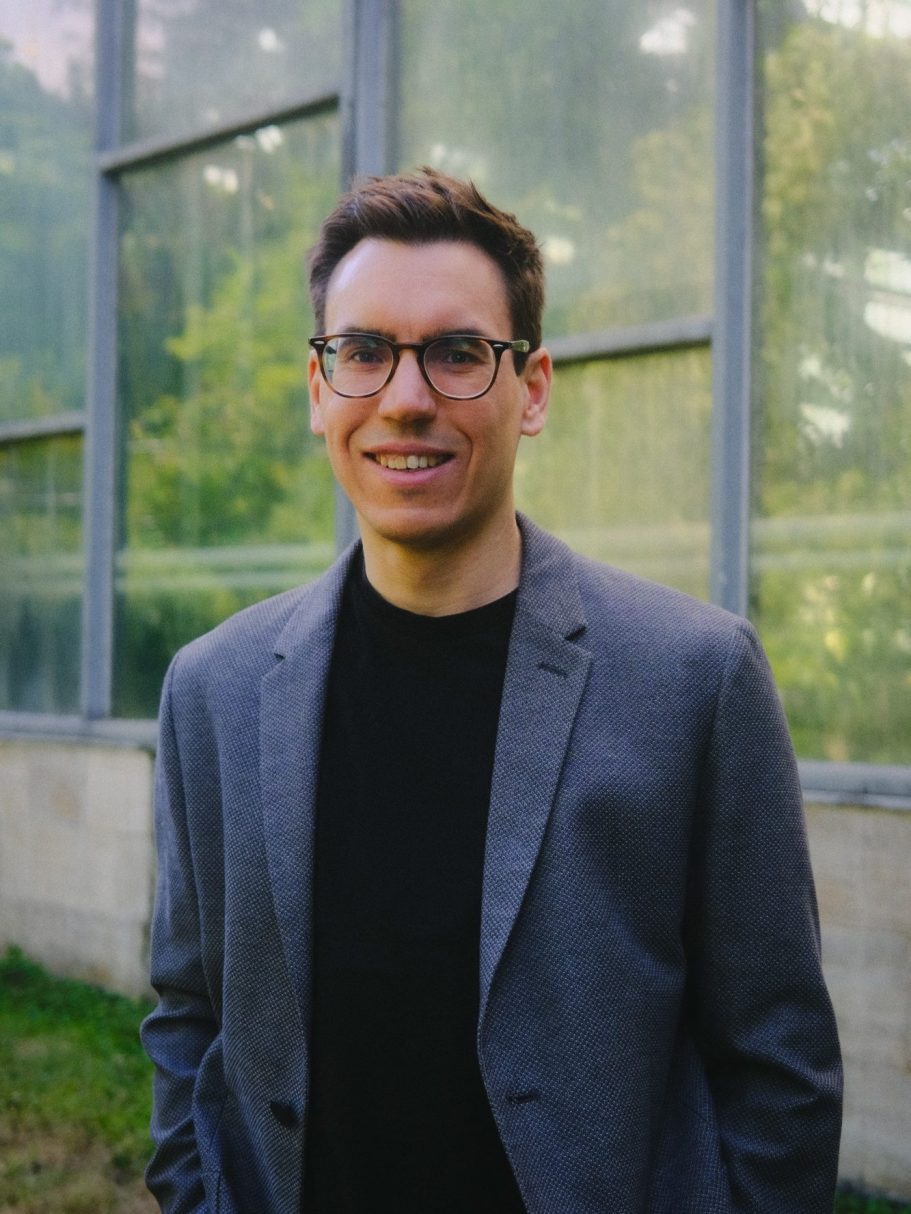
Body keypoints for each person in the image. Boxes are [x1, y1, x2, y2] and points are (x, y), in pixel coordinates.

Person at [141, 168, 842, 1214]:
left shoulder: (695, 677)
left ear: (534, 387)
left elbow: (778, 1063)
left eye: (458, 353)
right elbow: (188, 1011)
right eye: (363, 351)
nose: (406, 397)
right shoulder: (215, 689)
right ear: (318, 389)